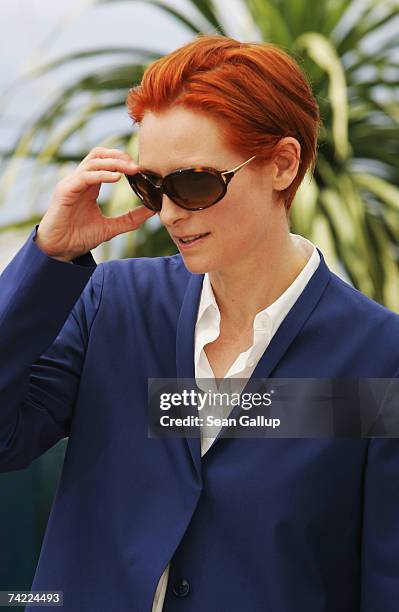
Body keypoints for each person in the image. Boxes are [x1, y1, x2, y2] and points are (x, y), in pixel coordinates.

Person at [0, 33, 398, 612]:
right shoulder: (114, 303)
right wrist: (48, 258)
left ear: (283, 164)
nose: (168, 213)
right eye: (150, 186)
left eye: (193, 183)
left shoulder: (378, 358)